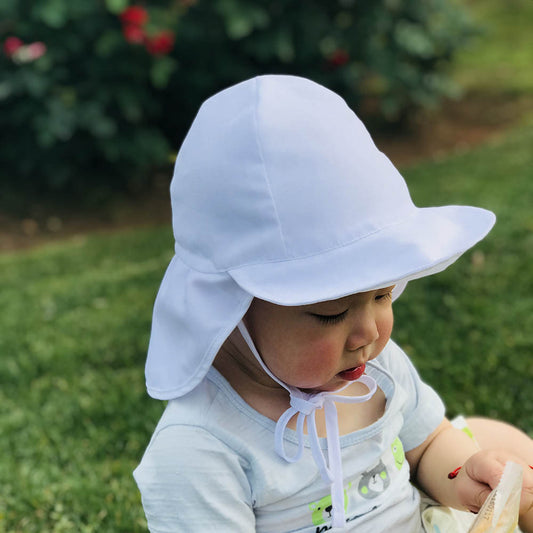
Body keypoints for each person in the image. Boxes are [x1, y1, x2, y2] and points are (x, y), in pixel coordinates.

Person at [133, 75, 533, 532]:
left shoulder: (376, 371)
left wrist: (464, 481)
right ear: (232, 308)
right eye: (331, 314)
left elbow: (427, 444)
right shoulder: (201, 447)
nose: (370, 333)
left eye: (383, 295)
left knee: (502, 448)